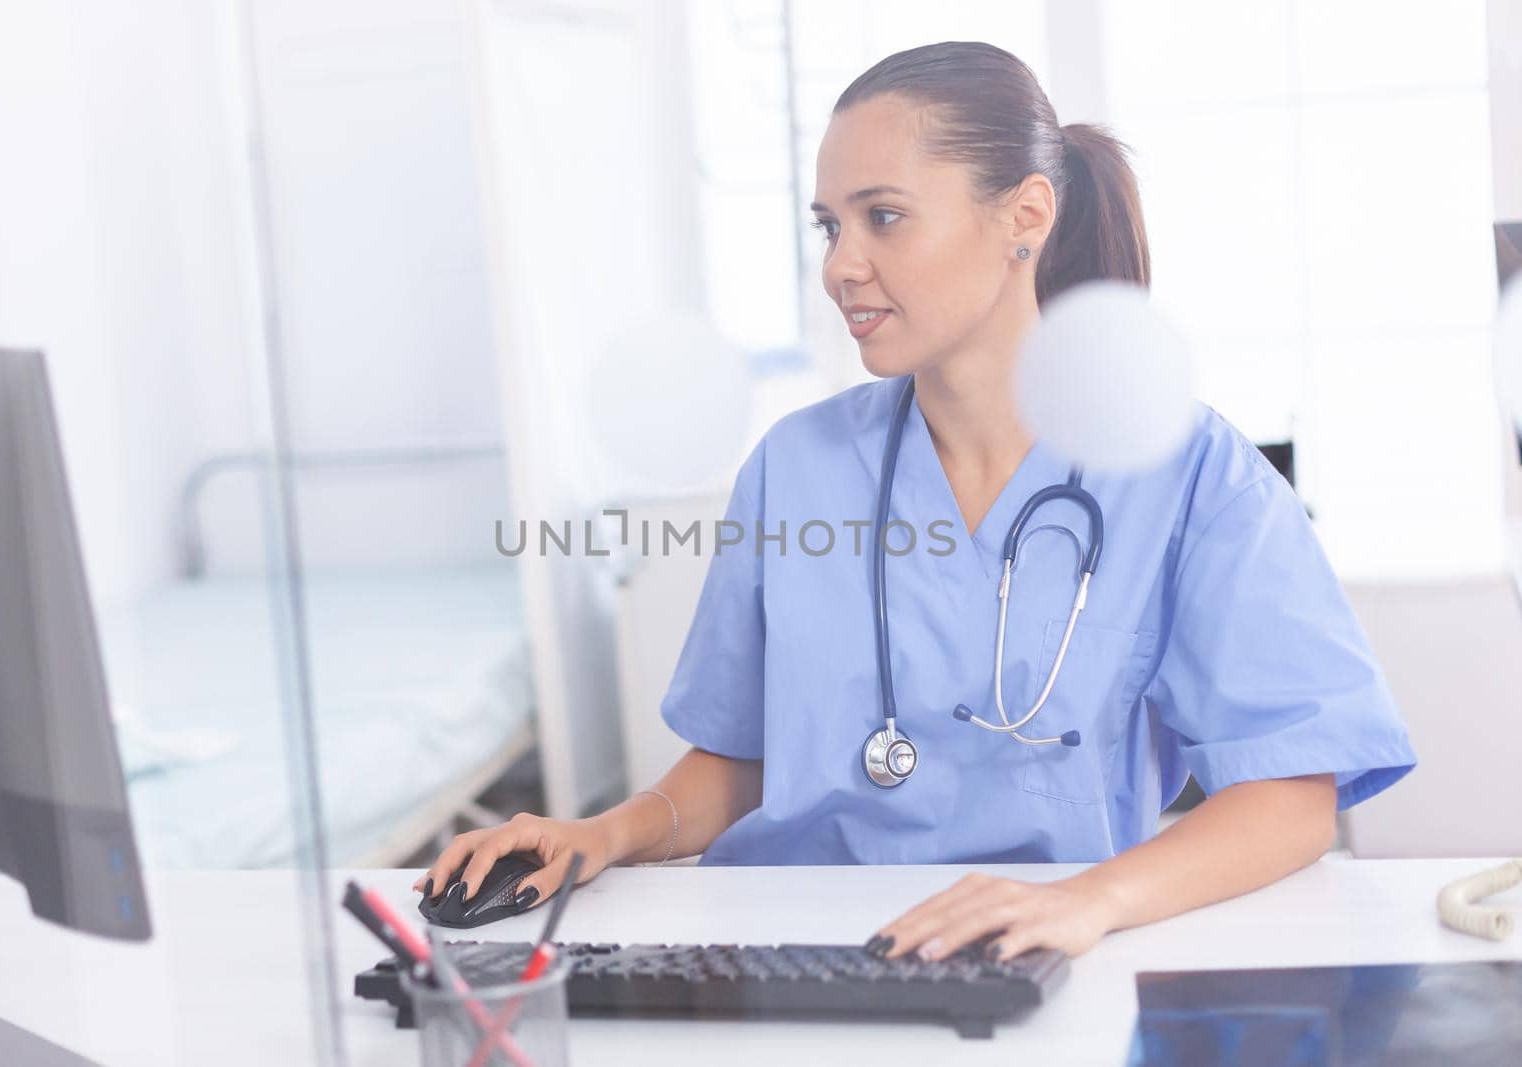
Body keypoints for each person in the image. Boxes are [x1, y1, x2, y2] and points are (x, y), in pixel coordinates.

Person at [416, 41, 1416, 963]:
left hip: (1027, 950)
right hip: (783, 950)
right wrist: (602, 833)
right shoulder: (797, 465)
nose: (841, 263)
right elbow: (741, 762)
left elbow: (1291, 792)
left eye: (883, 216)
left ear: (1025, 216)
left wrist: (1089, 901)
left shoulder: (1186, 469)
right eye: (829, 224)